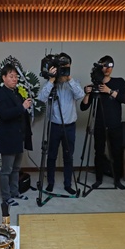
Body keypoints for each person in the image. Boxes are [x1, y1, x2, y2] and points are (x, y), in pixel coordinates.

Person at [37, 52, 85, 195]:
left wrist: (69, 78)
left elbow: (81, 95)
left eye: (67, 66)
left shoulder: (73, 83)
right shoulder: (52, 84)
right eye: (62, 67)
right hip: (55, 126)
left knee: (68, 156)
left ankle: (68, 184)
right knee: (51, 155)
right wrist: (51, 80)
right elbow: (41, 98)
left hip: (70, 126)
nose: (64, 69)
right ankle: (50, 182)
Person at [80, 55, 125, 190]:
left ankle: (117, 180)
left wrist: (109, 91)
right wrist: (87, 94)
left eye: (110, 65)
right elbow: (83, 107)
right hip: (100, 124)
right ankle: (98, 179)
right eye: (104, 65)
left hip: (115, 124)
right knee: (99, 152)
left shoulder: (119, 82)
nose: (107, 68)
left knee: (116, 152)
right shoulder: (95, 85)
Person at [0, 63, 33, 207]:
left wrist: (25, 108)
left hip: (19, 137)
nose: (14, 79)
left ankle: (15, 192)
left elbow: (20, 113)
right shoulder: (0, 94)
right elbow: (4, 115)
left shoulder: (16, 92)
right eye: (11, 76)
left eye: (16, 76)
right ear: (3, 78)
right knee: (6, 170)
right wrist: (22, 107)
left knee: (16, 168)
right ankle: (6, 196)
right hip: (8, 138)